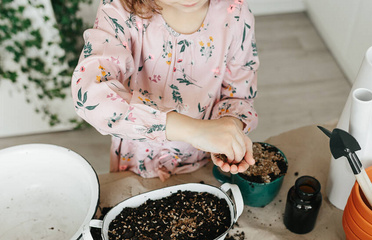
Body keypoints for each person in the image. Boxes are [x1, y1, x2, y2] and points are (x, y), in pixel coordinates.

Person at [71, 0, 259, 181]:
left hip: (203, 161)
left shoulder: (236, 13)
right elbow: (90, 94)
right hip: (137, 161)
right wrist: (195, 132)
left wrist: (231, 125)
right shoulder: (119, 9)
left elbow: (238, 94)